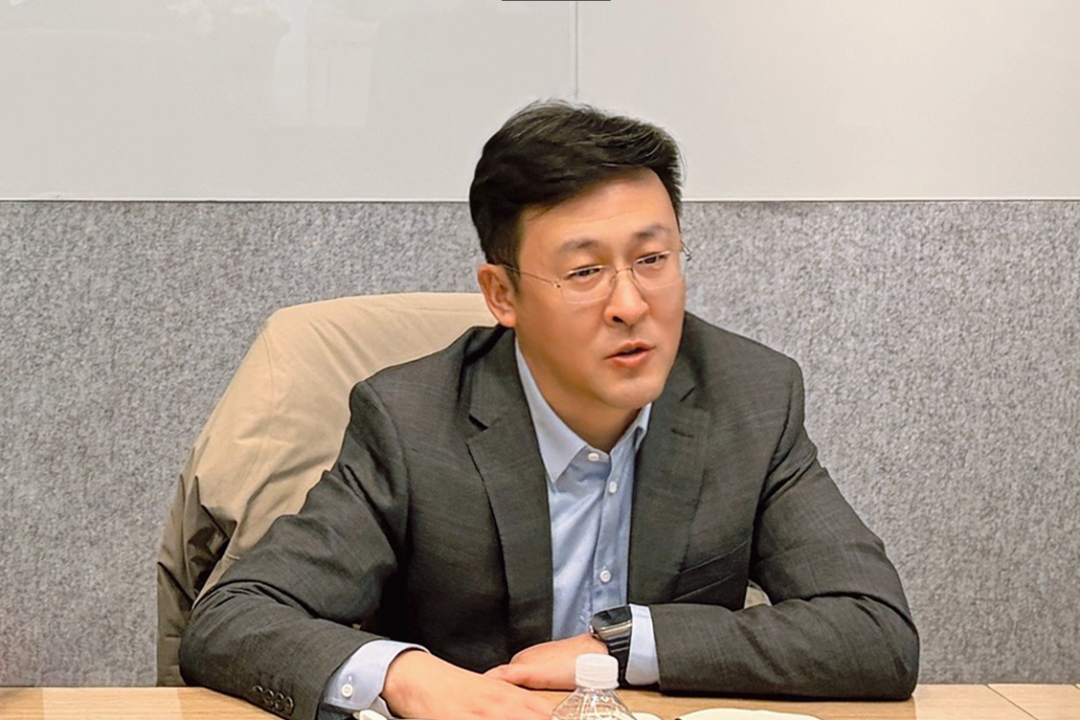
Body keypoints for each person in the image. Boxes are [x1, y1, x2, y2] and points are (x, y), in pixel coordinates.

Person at [179, 101, 919, 720]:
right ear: (502, 294)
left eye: (652, 260)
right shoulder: (412, 422)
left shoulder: (749, 397)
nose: (630, 304)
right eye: (585, 271)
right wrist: (407, 675)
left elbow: (873, 630)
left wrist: (626, 646)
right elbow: (235, 617)